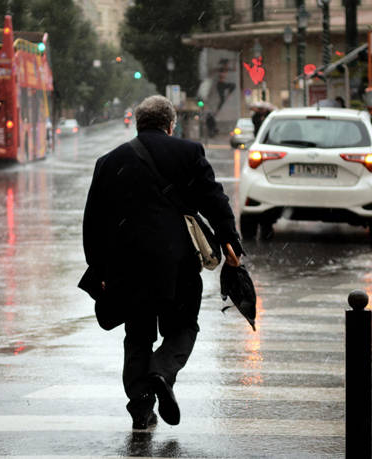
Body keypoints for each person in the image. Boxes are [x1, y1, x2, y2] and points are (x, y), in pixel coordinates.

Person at [81, 95, 244, 430]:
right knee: (183, 326)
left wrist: (98, 270)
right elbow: (215, 200)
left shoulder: (110, 161)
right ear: (171, 125)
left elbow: (93, 221)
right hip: (177, 261)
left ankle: (141, 408)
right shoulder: (188, 153)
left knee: (138, 334)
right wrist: (230, 241)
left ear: (138, 124)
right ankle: (163, 371)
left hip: (127, 266)